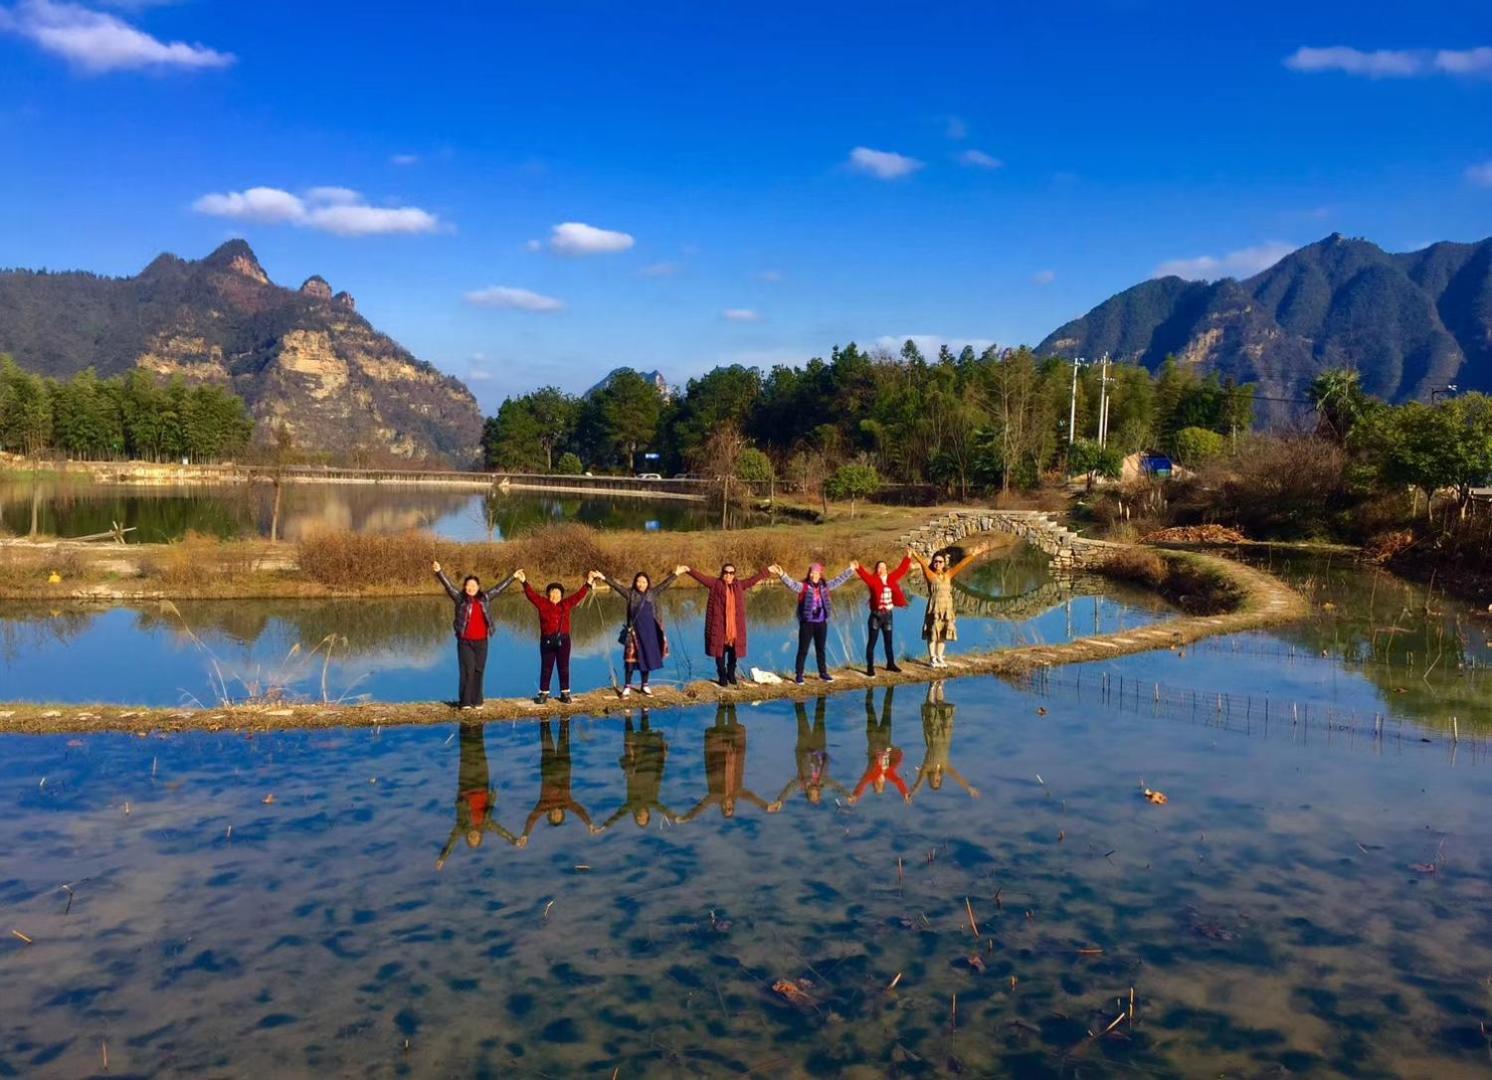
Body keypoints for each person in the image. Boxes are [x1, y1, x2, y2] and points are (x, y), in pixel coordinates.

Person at [436, 722, 522, 870]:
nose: (474, 837)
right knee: (480, 754)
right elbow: (501, 831)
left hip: (466, 787)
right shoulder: (486, 825)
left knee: (467, 755)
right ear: (480, 837)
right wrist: (514, 840)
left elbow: (451, 842)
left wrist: (442, 859)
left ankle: (465, 726)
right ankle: (477, 726)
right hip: (483, 784)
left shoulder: (461, 828)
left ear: (468, 838)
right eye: (476, 839)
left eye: (471, 839)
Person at [433, 560, 516, 709]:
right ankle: (465, 702)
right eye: (468, 585)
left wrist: (513, 577)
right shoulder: (460, 599)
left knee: (479, 670)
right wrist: (439, 572)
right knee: (468, 670)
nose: (471, 588)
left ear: (478, 587)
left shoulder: (484, 599)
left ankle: (477, 701)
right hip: (465, 641)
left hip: (482, 642)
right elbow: (449, 586)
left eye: (474, 586)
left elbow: (498, 589)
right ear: (465, 587)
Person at [678, 703, 779, 821]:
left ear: (722, 807)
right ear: (733, 806)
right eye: (730, 809)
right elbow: (751, 797)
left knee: (719, 729)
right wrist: (766, 806)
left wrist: (687, 817)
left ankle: (721, 705)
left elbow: (702, 806)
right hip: (734, 755)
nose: (727, 806)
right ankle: (731, 704)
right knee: (734, 728)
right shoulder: (738, 792)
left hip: (718, 756)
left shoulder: (715, 797)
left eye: (725, 809)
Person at [685, 562, 773, 686]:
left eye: (731, 573)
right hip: (720, 627)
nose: (728, 575)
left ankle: (731, 674)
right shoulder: (715, 584)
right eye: (726, 572)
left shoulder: (739, 585)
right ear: (722, 573)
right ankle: (722, 676)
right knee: (719, 654)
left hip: (735, 629)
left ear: (734, 574)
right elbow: (701, 577)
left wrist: (767, 570)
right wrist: (688, 569)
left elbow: (753, 580)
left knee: (733, 654)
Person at [517, 569, 596, 704]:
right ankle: (543, 693)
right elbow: (531, 595)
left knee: (563, 667)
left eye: (558, 592)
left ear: (561, 595)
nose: (555, 594)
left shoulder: (566, 604)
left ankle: (565, 693)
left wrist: (588, 582)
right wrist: (523, 581)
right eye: (552, 592)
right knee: (546, 667)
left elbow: (579, 595)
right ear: (548, 594)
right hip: (547, 641)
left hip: (563, 640)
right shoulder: (542, 604)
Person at [770, 561, 857, 684]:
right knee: (803, 649)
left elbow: (839, 580)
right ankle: (799, 675)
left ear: (820, 574)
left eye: (815, 573)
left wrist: (850, 569)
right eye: (811, 572)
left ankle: (823, 673)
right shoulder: (804, 587)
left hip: (821, 623)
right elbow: (791, 584)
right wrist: (782, 574)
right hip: (807, 623)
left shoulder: (826, 586)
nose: (813, 575)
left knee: (820, 649)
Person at [599, 568, 679, 696]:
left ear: (648, 583)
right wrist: (603, 577)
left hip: (649, 633)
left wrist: (676, 573)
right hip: (634, 633)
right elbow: (616, 586)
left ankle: (645, 685)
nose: (641, 584)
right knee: (630, 660)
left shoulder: (652, 593)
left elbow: (665, 585)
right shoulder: (630, 594)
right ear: (635, 583)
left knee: (646, 659)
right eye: (638, 581)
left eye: (644, 582)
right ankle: (627, 686)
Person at [599, 709, 678, 830]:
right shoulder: (651, 802)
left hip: (635, 766)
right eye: (643, 818)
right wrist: (674, 817)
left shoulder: (631, 804)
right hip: (651, 768)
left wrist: (604, 826)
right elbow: (662, 808)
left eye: (639, 819)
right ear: (648, 815)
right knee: (647, 737)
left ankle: (628, 717)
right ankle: (645, 713)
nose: (641, 816)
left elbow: (619, 814)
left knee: (630, 739)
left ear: (635, 817)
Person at [521, 719, 599, 841]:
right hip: (564, 766)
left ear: (549, 816)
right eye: (558, 816)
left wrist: (525, 835)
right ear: (562, 815)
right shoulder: (566, 802)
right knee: (564, 739)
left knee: (546, 740)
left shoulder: (544, 805)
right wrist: (589, 824)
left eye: (553, 816)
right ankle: (565, 719)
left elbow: (532, 818)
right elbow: (579, 811)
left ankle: (545, 719)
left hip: (548, 767)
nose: (556, 814)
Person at [909, 546, 981, 667]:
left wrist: (974, 555)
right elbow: (923, 565)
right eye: (935, 561)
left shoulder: (948, 574)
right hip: (935, 607)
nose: (937, 564)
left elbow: (961, 565)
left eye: (940, 562)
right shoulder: (930, 575)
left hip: (947, 608)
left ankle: (939, 657)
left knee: (943, 633)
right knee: (933, 633)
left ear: (944, 563)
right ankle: (932, 658)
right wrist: (915, 555)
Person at [772, 697, 848, 809]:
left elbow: (790, 788)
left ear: (808, 793)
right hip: (819, 748)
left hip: (804, 749)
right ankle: (822, 697)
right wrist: (847, 795)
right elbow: (836, 786)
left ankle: (799, 702)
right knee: (820, 722)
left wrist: (780, 800)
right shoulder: (823, 782)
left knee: (803, 724)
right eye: (816, 795)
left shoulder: (801, 782)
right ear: (819, 793)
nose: (814, 792)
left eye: (812, 795)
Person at [910, 681, 979, 800]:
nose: (937, 779)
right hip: (946, 735)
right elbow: (957, 777)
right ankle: (940, 686)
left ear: (931, 780)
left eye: (935, 781)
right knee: (943, 710)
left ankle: (932, 686)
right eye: (939, 781)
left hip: (932, 736)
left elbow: (919, 783)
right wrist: (969, 788)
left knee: (931, 710)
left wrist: (912, 793)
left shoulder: (926, 769)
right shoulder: (945, 767)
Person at [854, 554, 911, 676]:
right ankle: (870, 668)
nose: (882, 569)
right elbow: (864, 576)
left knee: (888, 641)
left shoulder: (891, 578)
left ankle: (890, 664)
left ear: (886, 569)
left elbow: (901, 570)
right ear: (876, 569)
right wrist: (858, 568)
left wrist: (908, 557)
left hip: (888, 616)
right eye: (879, 567)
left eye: (884, 567)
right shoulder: (873, 580)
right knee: (872, 643)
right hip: (876, 616)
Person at [848, 686, 909, 803]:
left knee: (870, 710)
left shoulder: (872, 774)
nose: (878, 782)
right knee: (888, 710)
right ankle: (890, 687)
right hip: (885, 737)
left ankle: (869, 689)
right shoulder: (889, 773)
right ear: (884, 783)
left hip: (873, 737)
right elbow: (898, 779)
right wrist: (905, 793)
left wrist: (855, 795)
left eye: (876, 786)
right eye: (880, 785)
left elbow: (863, 783)